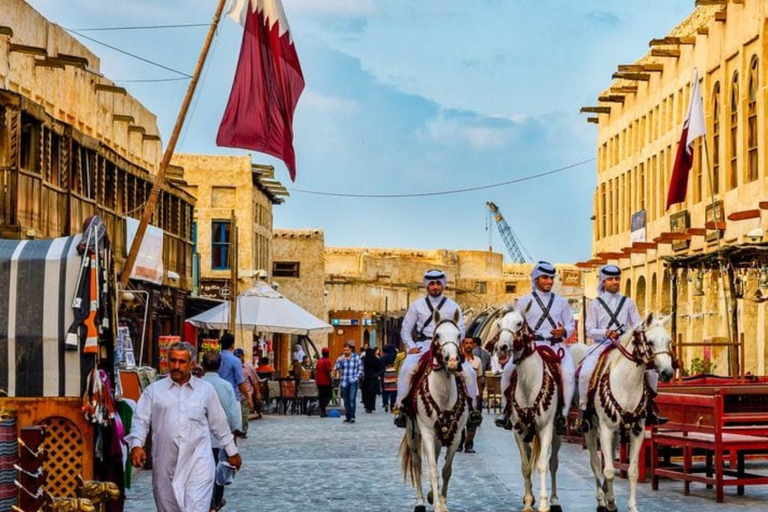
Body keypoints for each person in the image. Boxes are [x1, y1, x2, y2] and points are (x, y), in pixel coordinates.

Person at [125, 342, 242, 512]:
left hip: (198, 462)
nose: (176, 366)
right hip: (165, 463)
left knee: (196, 508)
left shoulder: (205, 390)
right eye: (173, 361)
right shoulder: (154, 391)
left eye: (182, 362)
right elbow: (140, 420)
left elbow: (219, 424)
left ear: (192, 365)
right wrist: (136, 444)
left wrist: (232, 452)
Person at [578, 264, 668, 433]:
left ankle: (648, 408)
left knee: (650, 371)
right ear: (603, 282)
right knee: (585, 373)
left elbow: (637, 325)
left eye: (617, 279)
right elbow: (589, 330)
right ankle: (585, 412)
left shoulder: (628, 302)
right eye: (611, 279)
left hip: (624, 346)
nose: (614, 282)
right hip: (602, 345)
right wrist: (605, 332)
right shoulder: (595, 304)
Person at [394, 269, 482, 429]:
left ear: (443, 285)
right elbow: (405, 330)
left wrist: (455, 344)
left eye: (438, 284)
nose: (435, 287)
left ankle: (472, 410)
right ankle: (401, 408)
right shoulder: (417, 306)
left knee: (469, 373)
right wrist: (412, 346)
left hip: (447, 346)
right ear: (427, 286)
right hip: (424, 345)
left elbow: (461, 329)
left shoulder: (453, 306)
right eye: (432, 284)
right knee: (406, 370)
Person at [497, 261, 574, 435]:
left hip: (555, 346)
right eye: (545, 278)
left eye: (551, 278)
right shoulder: (523, 301)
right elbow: (514, 325)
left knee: (568, 376)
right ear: (536, 279)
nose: (549, 281)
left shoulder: (562, 302)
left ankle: (562, 415)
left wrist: (563, 331)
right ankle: (506, 411)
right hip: (531, 347)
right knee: (508, 373)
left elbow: (570, 325)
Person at [200, 351, 242, 512]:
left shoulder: (198, 385)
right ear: (220, 366)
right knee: (219, 473)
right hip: (220, 440)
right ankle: (215, 502)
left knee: (202, 474)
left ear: (203, 365)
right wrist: (233, 437)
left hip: (200, 440)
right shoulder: (226, 387)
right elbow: (233, 416)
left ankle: (207, 502)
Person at [218, 334, 252, 438]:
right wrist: (248, 397)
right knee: (233, 428)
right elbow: (240, 382)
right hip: (231, 396)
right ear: (232, 345)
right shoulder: (235, 361)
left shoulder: (216, 357)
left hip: (215, 393)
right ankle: (231, 451)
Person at [459, 337, 482, 453]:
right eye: (466, 343)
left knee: (473, 419)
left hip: (474, 392)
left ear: (473, 345)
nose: (468, 345)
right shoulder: (457, 359)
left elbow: (479, 377)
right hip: (460, 393)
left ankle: (469, 444)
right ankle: (459, 441)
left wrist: (480, 393)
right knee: (459, 418)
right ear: (462, 344)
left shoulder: (477, 360)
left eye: (470, 343)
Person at [334, 341, 363, 423]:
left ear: (351, 350)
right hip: (344, 382)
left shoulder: (356, 358)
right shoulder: (341, 358)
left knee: (352, 399)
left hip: (353, 381)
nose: (345, 352)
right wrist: (341, 361)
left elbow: (361, 370)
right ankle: (348, 416)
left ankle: (353, 416)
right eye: (344, 350)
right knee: (346, 400)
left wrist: (356, 378)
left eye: (347, 350)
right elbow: (336, 368)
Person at [235, 348, 262, 421]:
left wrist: (257, 393)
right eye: (236, 357)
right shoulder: (233, 366)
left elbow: (255, 381)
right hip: (235, 395)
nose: (238, 359)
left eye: (239, 357)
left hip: (246, 395)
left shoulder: (248, 367)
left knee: (243, 418)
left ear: (243, 356)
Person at [361, 346, 382, 413]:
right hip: (374, 377)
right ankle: (371, 406)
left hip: (367, 378)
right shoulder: (376, 360)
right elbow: (380, 368)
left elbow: (363, 368)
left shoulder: (365, 359)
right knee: (372, 394)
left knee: (366, 393)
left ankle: (367, 406)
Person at [315, 347, 333, 417]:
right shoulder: (327, 361)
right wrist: (331, 380)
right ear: (328, 353)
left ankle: (322, 410)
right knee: (328, 396)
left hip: (319, 382)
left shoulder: (319, 361)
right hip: (325, 382)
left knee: (321, 396)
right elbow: (328, 372)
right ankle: (322, 408)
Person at [380, 345, 398, 412]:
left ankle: (385, 403)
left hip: (386, 374)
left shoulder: (384, 357)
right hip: (394, 374)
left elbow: (381, 366)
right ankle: (392, 406)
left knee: (385, 390)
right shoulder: (396, 356)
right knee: (393, 391)